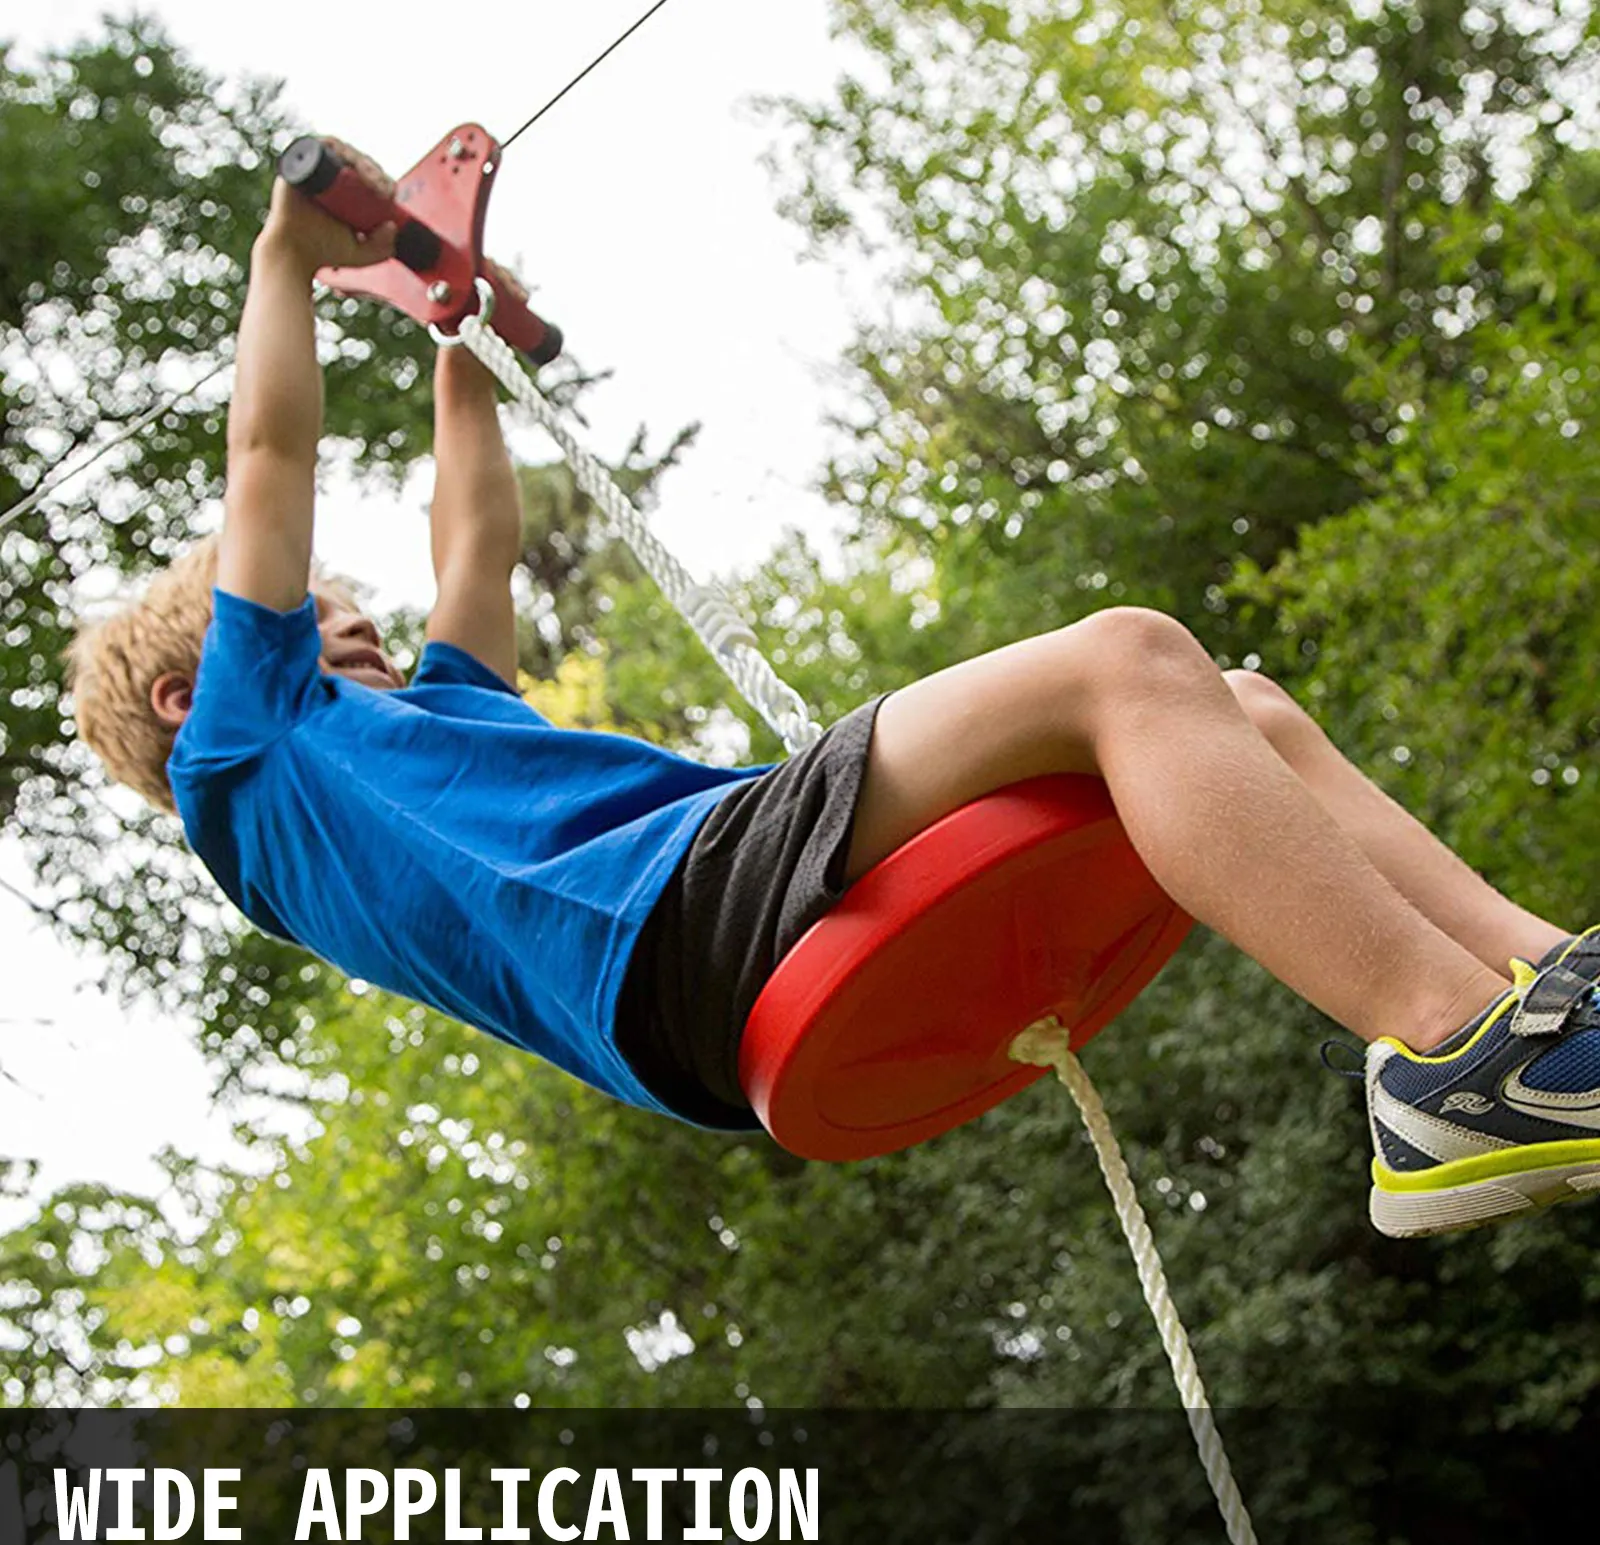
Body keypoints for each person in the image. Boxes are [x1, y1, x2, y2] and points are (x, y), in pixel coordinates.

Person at [69, 146, 1600, 1241]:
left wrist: (455, 332)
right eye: (298, 604)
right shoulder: (254, 747)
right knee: (1126, 660)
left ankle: (1549, 993)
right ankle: (1448, 1057)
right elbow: (269, 461)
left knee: (1236, 710)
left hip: (697, 929)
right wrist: (285, 254)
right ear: (187, 677)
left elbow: (475, 535)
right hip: (664, 933)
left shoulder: (436, 722)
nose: (340, 604)